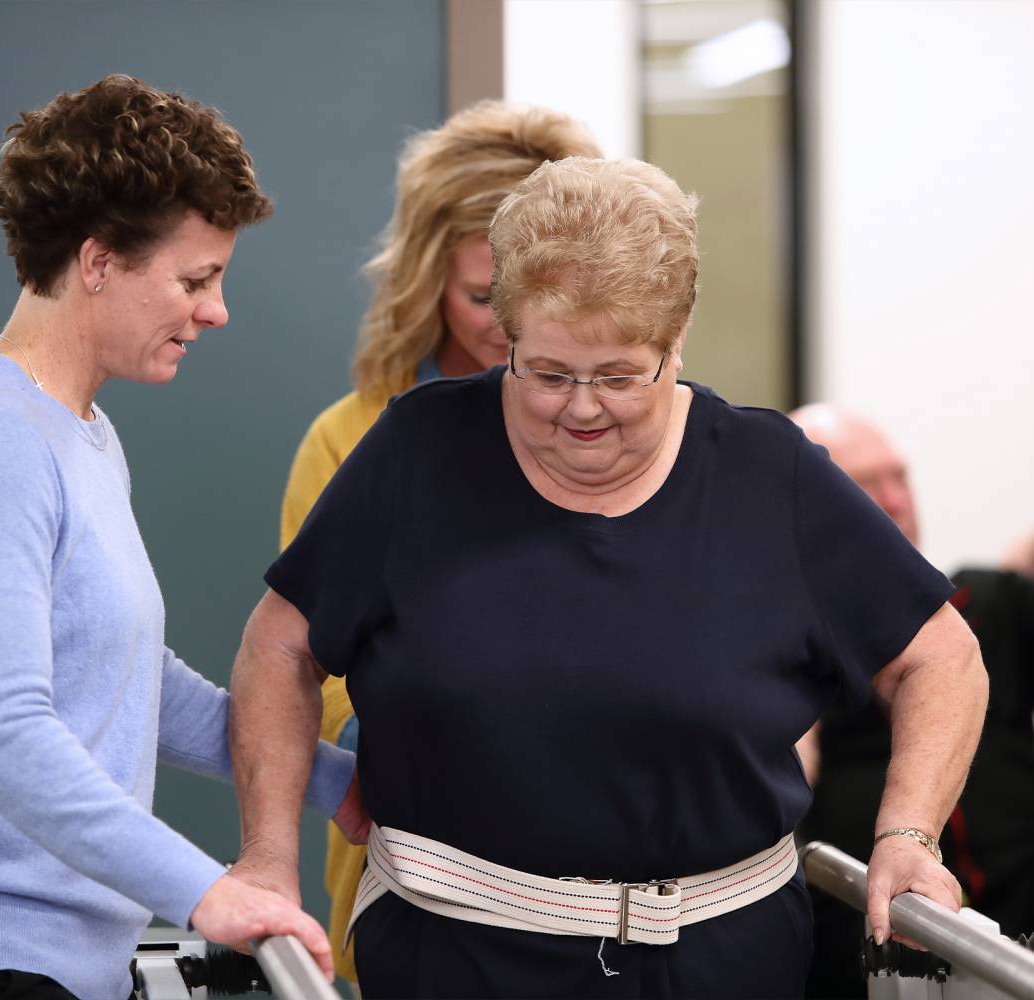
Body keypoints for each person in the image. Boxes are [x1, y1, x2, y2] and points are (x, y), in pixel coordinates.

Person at [227, 156, 988, 998]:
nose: (582, 408)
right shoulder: (418, 450)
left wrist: (908, 837)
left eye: (621, 376)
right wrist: (266, 858)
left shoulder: (771, 476)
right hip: (457, 955)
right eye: (547, 374)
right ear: (504, 334)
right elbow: (280, 649)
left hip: (722, 962)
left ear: (677, 342)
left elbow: (942, 657)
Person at [0, 75, 362, 1000]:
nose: (216, 310)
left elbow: (128, 688)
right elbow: (2, 732)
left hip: (48, 968)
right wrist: (208, 893)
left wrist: (335, 781)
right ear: (100, 261)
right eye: (196, 279)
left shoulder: (83, 436)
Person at [277, 100, 600, 983]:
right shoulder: (349, 441)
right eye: (482, 296)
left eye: (543, 293)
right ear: (425, 280)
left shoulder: (625, 422)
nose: (514, 322)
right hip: (417, 881)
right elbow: (316, 672)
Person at [790, 405, 1034, 997]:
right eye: (864, 488)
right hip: (870, 970)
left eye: (899, 478)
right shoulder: (788, 666)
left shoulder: (989, 607)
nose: (896, 501)